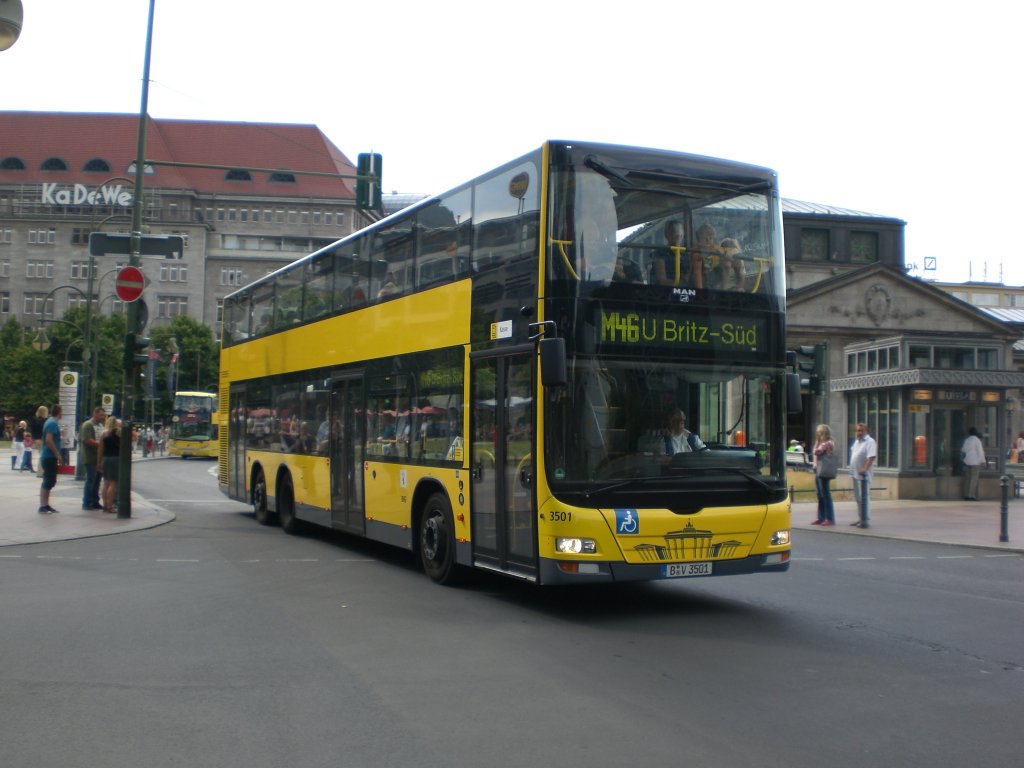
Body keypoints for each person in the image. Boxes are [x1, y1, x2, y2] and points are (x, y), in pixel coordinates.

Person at [849, 422, 877, 528]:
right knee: (858, 497)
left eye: (861, 430)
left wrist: (865, 468)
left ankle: (865, 519)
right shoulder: (857, 442)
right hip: (855, 473)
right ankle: (860, 518)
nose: (858, 433)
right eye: (857, 430)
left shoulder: (870, 442)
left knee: (864, 497)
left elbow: (871, 457)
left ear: (866, 431)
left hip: (864, 475)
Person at [651, 220, 693, 287]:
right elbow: (662, 281)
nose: (678, 235)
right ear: (667, 235)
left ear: (683, 235)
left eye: (679, 233)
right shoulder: (660, 253)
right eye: (673, 232)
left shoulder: (686, 254)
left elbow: (689, 276)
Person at [38, 403, 63, 514]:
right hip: (49, 456)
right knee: (48, 480)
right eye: (62, 412)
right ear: (59, 412)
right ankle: (43, 505)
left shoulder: (51, 422)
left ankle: (46, 505)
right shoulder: (52, 423)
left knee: (50, 480)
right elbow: (49, 440)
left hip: (48, 456)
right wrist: (57, 454)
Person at [80, 406, 106, 511]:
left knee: (97, 481)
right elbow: (87, 440)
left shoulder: (100, 425)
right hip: (90, 457)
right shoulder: (88, 424)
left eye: (103, 415)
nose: (103, 417)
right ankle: (87, 502)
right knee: (90, 480)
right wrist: (101, 445)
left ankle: (95, 501)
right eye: (101, 415)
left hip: (99, 458)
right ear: (95, 414)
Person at [811, 424, 836, 526]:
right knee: (820, 495)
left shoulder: (828, 443)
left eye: (819, 433)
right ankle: (821, 517)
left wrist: (817, 442)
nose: (817, 435)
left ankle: (830, 518)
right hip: (818, 470)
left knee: (826, 494)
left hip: (824, 471)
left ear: (823, 433)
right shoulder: (823, 443)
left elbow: (816, 452)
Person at [97, 416, 121, 513]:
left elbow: (100, 449)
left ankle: (105, 505)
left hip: (106, 459)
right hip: (116, 458)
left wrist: (98, 462)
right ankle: (110, 506)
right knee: (113, 483)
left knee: (106, 483)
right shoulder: (119, 432)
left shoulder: (104, 433)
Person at [961, 427, 985, 501]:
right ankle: (971, 495)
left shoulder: (967, 440)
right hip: (975, 462)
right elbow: (980, 452)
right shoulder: (977, 440)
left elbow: (963, 450)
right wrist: (983, 461)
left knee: (967, 479)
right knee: (973, 479)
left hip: (967, 461)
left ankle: (966, 494)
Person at [30, 405, 48, 477]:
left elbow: (32, 430)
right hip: (42, 439)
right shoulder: (45, 421)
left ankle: (40, 471)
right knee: (43, 455)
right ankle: (41, 472)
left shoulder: (34, 420)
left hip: (36, 439)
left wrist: (33, 438)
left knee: (41, 454)